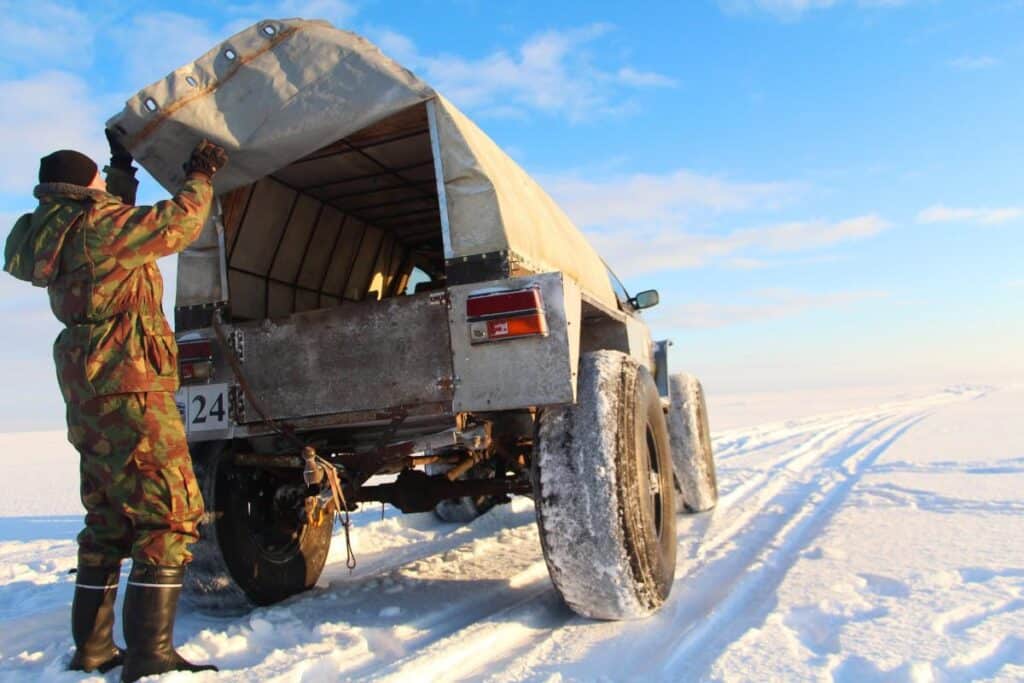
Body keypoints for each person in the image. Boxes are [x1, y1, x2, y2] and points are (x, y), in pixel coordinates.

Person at [3, 132, 228, 681]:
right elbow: (178, 222)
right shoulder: (100, 229)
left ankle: (95, 650)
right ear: (84, 188)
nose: (105, 187)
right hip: (130, 378)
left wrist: (120, 167)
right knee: (168, 512)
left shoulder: (59, 233)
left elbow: (113, 222)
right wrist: (199, 173)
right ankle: (151, 656)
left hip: (87, 389)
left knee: (107, 516)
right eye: (100, 181)